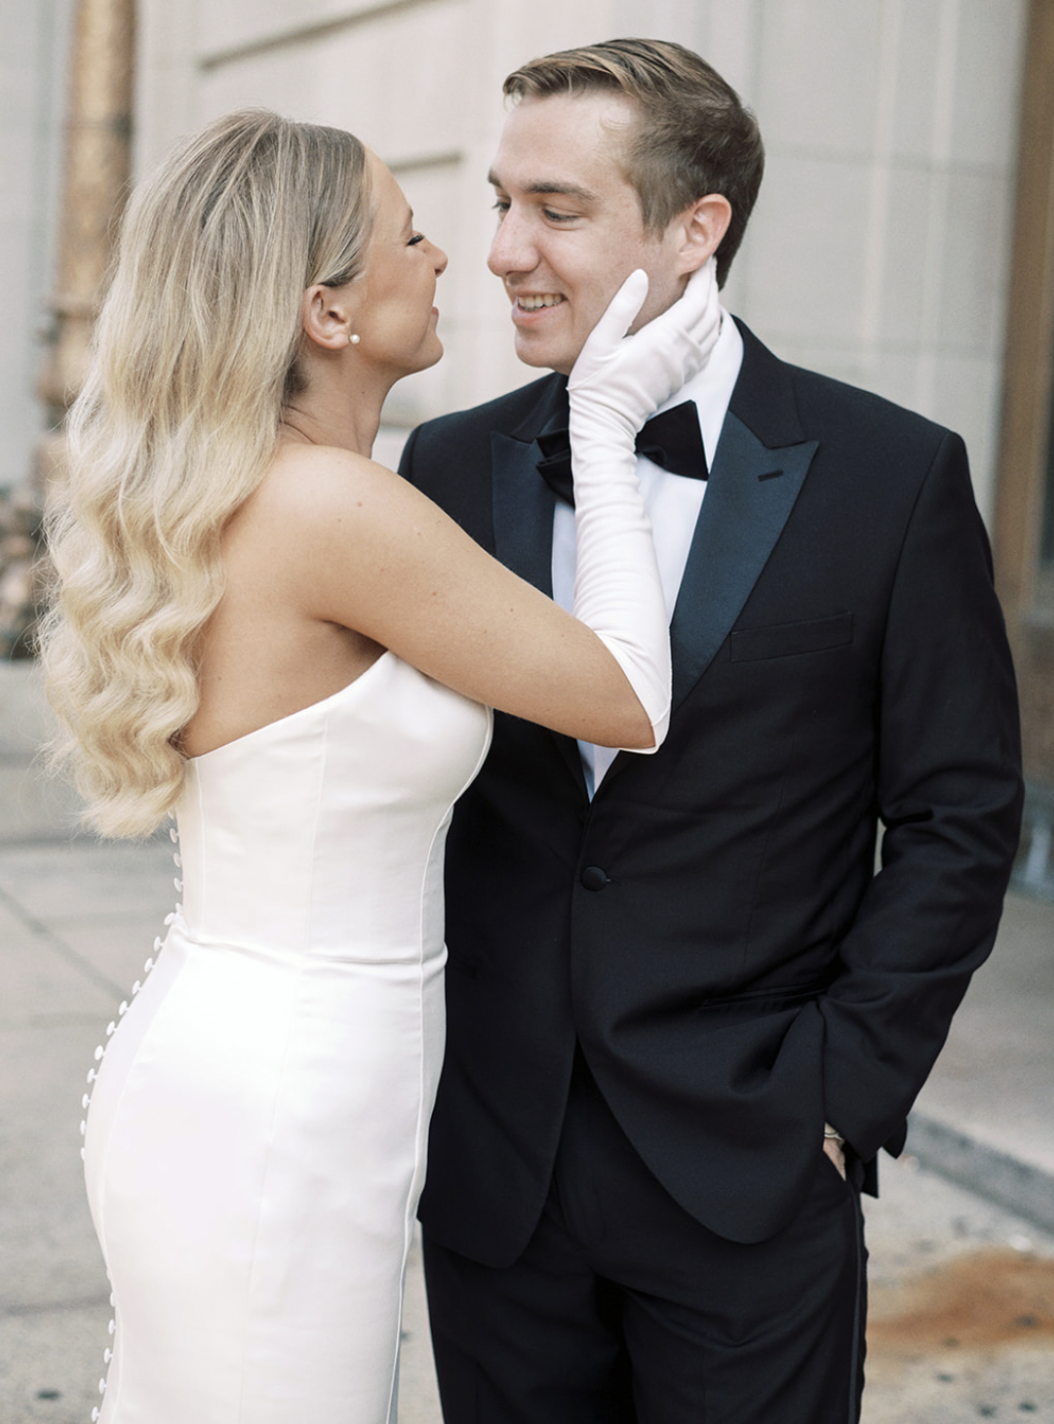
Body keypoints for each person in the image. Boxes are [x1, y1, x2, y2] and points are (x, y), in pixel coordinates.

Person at [39, 108, 723, 1423]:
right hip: (281, 1106)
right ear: (327, 315)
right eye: (410, 236)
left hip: (260, 1068)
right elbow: (628, 700)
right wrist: (605, 422)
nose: (449, 259)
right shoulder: (333, 508)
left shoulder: (279, 487)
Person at [398, 37, 1025, 1423]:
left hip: (751, 1165)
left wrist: (837, 1090)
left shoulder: (890, 476)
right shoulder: (446, 466)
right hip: (496, 1169)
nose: (502, 251)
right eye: (499, 201)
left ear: (696, 230)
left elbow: (958, 813)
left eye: (556, 210)